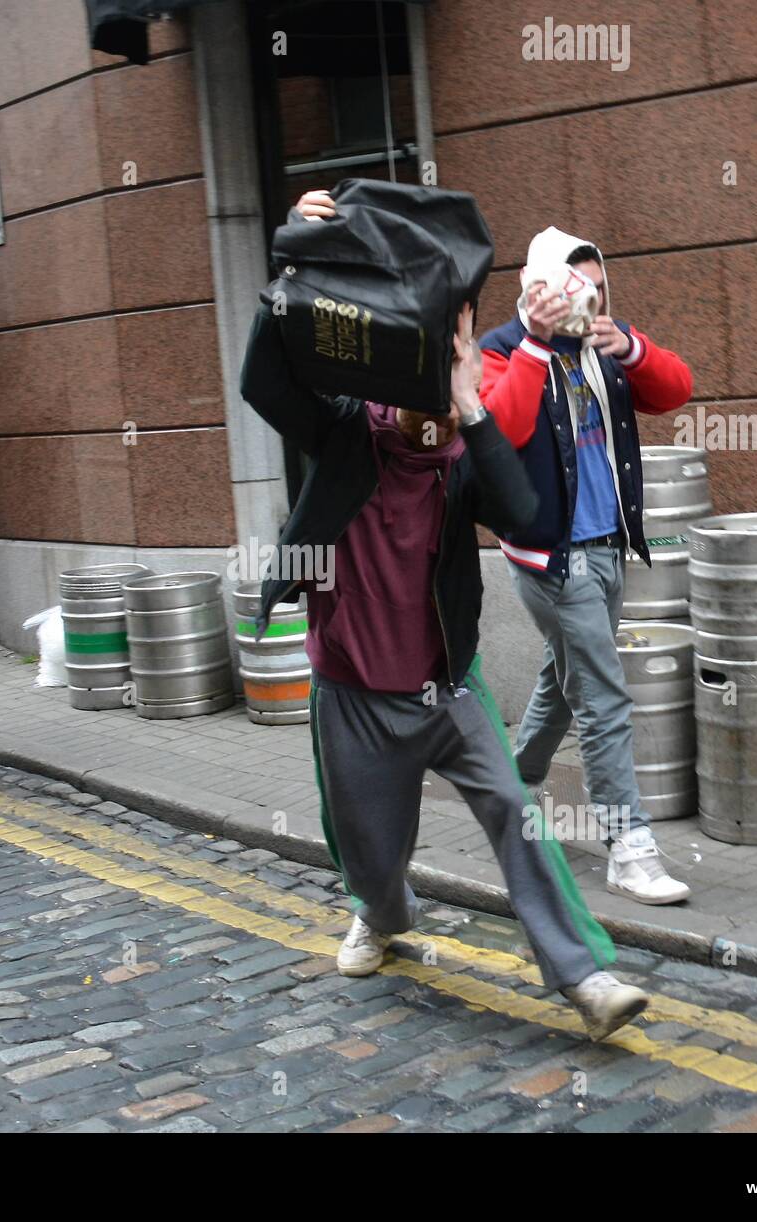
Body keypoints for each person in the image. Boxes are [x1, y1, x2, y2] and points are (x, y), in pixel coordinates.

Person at [240, 192, 649, 1041]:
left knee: (516, 816)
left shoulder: (461, 457)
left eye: (443, 396)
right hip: (353, 691)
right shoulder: (347, 433)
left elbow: (525, 511)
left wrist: (475, 409)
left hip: (446, 690)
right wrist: (295, 265)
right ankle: (380, 916)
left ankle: (585, 976)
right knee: (371, 850)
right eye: (422, 397)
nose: (430, 417)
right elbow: (263, 378)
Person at [478, 228, 694, 904]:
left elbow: (676, 389)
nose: (590, 298)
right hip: (550, 558)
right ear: (541, 286)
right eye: (577, 286)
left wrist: (630, 346)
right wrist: (539, 344)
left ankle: (513, 786)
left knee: (562, 673)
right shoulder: (502, 349)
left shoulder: (604, 343)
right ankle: (629, 848)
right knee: (602, 696)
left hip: (607, 547)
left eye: (598, 287)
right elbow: (498, 431)